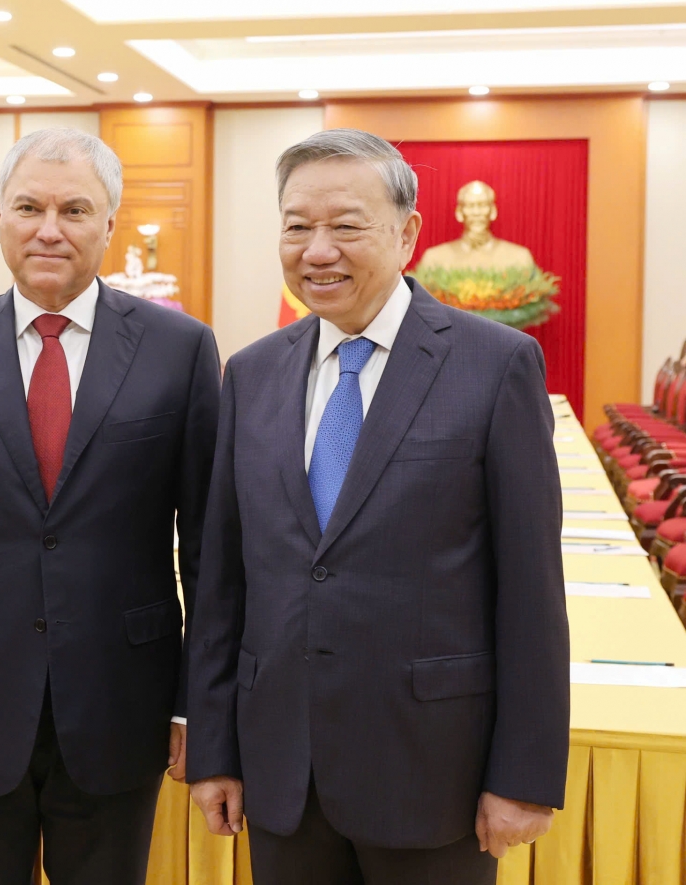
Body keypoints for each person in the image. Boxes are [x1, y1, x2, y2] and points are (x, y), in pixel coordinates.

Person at [187, 129, 569, 884]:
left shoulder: (494, 366)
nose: (317, 250)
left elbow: (531, 587)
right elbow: (223, 583)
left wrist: (524, 774)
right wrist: (215, 748)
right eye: (297, 226)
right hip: (282, 771)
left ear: (407, 233)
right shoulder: (252, 373)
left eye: (346, 226)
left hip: (434, 771)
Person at [0, 128, 221, 885]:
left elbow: (210, 551)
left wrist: (196, 705)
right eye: (28, 207)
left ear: (110, 224)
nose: (48, 229)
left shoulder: (180, 350)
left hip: (123, 701)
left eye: (74, 210)